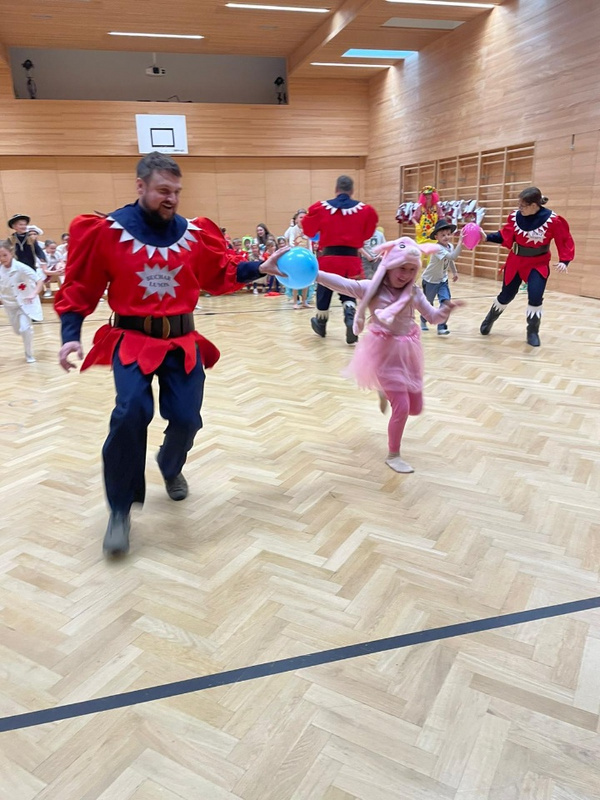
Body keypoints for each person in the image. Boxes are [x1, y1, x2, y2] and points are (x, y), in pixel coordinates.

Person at [55, 152, 284, 557]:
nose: (172, 199)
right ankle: (120, 510)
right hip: (132, 339)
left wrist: (259, 269)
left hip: (182, 341)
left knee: (187, 418)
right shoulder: (107, 232)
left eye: (176, 191)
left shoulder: (193, 233)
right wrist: (70, 335)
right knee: (130, 413)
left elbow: (220, 272)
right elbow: (80, 285)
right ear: (140, 186)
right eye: (163, 190)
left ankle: (170, 464)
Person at [315, 237, 462, 473]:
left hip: (408, 353)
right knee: (402, 407)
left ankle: (384, 391)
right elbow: (342, 284)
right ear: (390, 265)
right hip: (383, 354)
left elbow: (433, 318)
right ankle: (394, 455)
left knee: (415, 408)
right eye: (402, 268)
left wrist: (446, 309)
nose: (406, 274)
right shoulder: (371, 288)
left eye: (411, 270)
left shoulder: (414, 292)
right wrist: (314, 273)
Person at [479, 187, 575, 347]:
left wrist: (564, 261)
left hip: (538, 264)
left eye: (523, 205)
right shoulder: (515, 217)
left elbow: (564, 239)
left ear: (534, 205)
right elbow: (505, 235)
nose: (519, 208)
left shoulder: (553, 220)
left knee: (535, 296)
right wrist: (487, 237)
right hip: (516, 262)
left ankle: (532, 332)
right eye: (519, 205)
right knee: (506, 295)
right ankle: (489, 319)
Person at [302, 175, 378, 344]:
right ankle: (350, 318)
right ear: (352, 190)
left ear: (336, 189)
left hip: (328, 258)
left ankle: (321, 323)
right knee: (349, 289)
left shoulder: (321, 208)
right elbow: (367, 233)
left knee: (324, 289)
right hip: (351, 259)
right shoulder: (365, 210)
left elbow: (308, 230)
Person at [0, 239, 44, 363]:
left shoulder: (21, 267)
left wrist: (33, 294)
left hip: (24, 303)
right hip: (10, 305)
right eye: (0, 256)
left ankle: (29, 354)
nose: (2, 258)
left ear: (11, 252)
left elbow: (39, 281)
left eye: (5, 255)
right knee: (18, 330)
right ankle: (25, 333)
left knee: (25, 329)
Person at [420, 220, 462, 335]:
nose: (446, 237)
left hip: (443, 280)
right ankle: (423, 320)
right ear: (436, 237)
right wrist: (461, 242)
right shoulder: (437, 248)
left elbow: (450, 260)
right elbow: (452, 257)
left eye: (448, 234)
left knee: (446, 302)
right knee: (428, 304)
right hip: (430, 281)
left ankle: (441, 326)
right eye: (443, 235)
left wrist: (454, 272)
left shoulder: (450, 246)